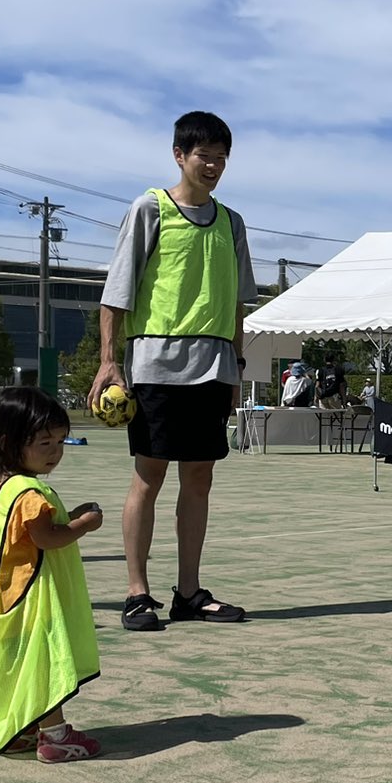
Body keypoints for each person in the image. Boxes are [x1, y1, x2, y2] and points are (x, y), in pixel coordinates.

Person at [90, 110, 258, 632]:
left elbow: (237, 305)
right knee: (150, 475)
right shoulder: (150, 208)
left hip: (214, 367)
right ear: (179, 155)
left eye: (221, 157)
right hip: (156, 365)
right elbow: (116, 293)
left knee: (200, 478)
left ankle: (189, 593)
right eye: (203, 155)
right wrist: (109, 361)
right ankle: (136, 592)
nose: (213, 165)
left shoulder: (232, 222)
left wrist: (236, 368)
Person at [0, 387, 103, 762]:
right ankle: (55, 736)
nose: (55, 451)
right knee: (46, 666)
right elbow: (47, 538)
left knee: (25, 668)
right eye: (45, 442)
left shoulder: (7, 487)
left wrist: (70, 516)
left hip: (7, 600)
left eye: (61, 441)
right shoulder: (30, 493)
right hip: (31, 603)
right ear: (8, 443)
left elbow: (36, 532)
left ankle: (23, 729)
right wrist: (84, 524)